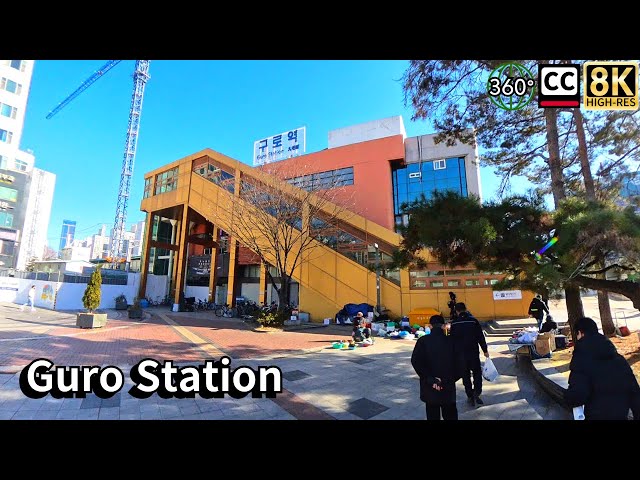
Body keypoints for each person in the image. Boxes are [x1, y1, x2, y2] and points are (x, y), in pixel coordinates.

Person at [564, 317, 640, 420]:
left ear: (581, 333)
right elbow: (634, 392)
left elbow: (578, 394)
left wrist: (567, 397)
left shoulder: (581, 359)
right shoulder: (618, 359)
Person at [411, 314, 461, 420]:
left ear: (430, 326)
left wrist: (431, 379)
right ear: (444, 326)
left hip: (430, 387)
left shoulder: (423, 341)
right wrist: (449, 380)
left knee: (432, 414)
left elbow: (416, 362)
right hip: (447, 386)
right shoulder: (452, 341)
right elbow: (461, 364)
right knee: (450, 414)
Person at [450, 302, 489, 407]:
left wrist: (452, 354)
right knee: (476, 373)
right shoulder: (473, 321)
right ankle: (477, 392)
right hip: (473, 353)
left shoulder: (454, 323)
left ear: (457, 311)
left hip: (460, 355)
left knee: (465, 375)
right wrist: (485, 350)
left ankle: (469, 394)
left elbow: (452, 341)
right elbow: (480, 337)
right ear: (466, 309)